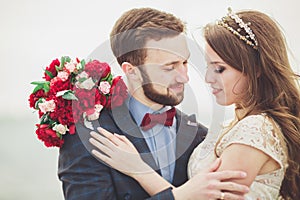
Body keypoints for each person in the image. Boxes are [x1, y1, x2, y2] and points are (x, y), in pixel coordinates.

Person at [89, 8, 300, 200]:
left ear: (255, 70)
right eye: (207, 66)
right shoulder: (227, 128)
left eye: (219, 69)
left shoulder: (255, 129)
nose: (206, 78)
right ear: (130, 71)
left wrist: (140, 171)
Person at [58, 7, 249, 200]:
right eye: (169, 67)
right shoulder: (90, 135)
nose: (184, 78)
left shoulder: (200, 136)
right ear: (132, 71)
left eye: (184, 63)